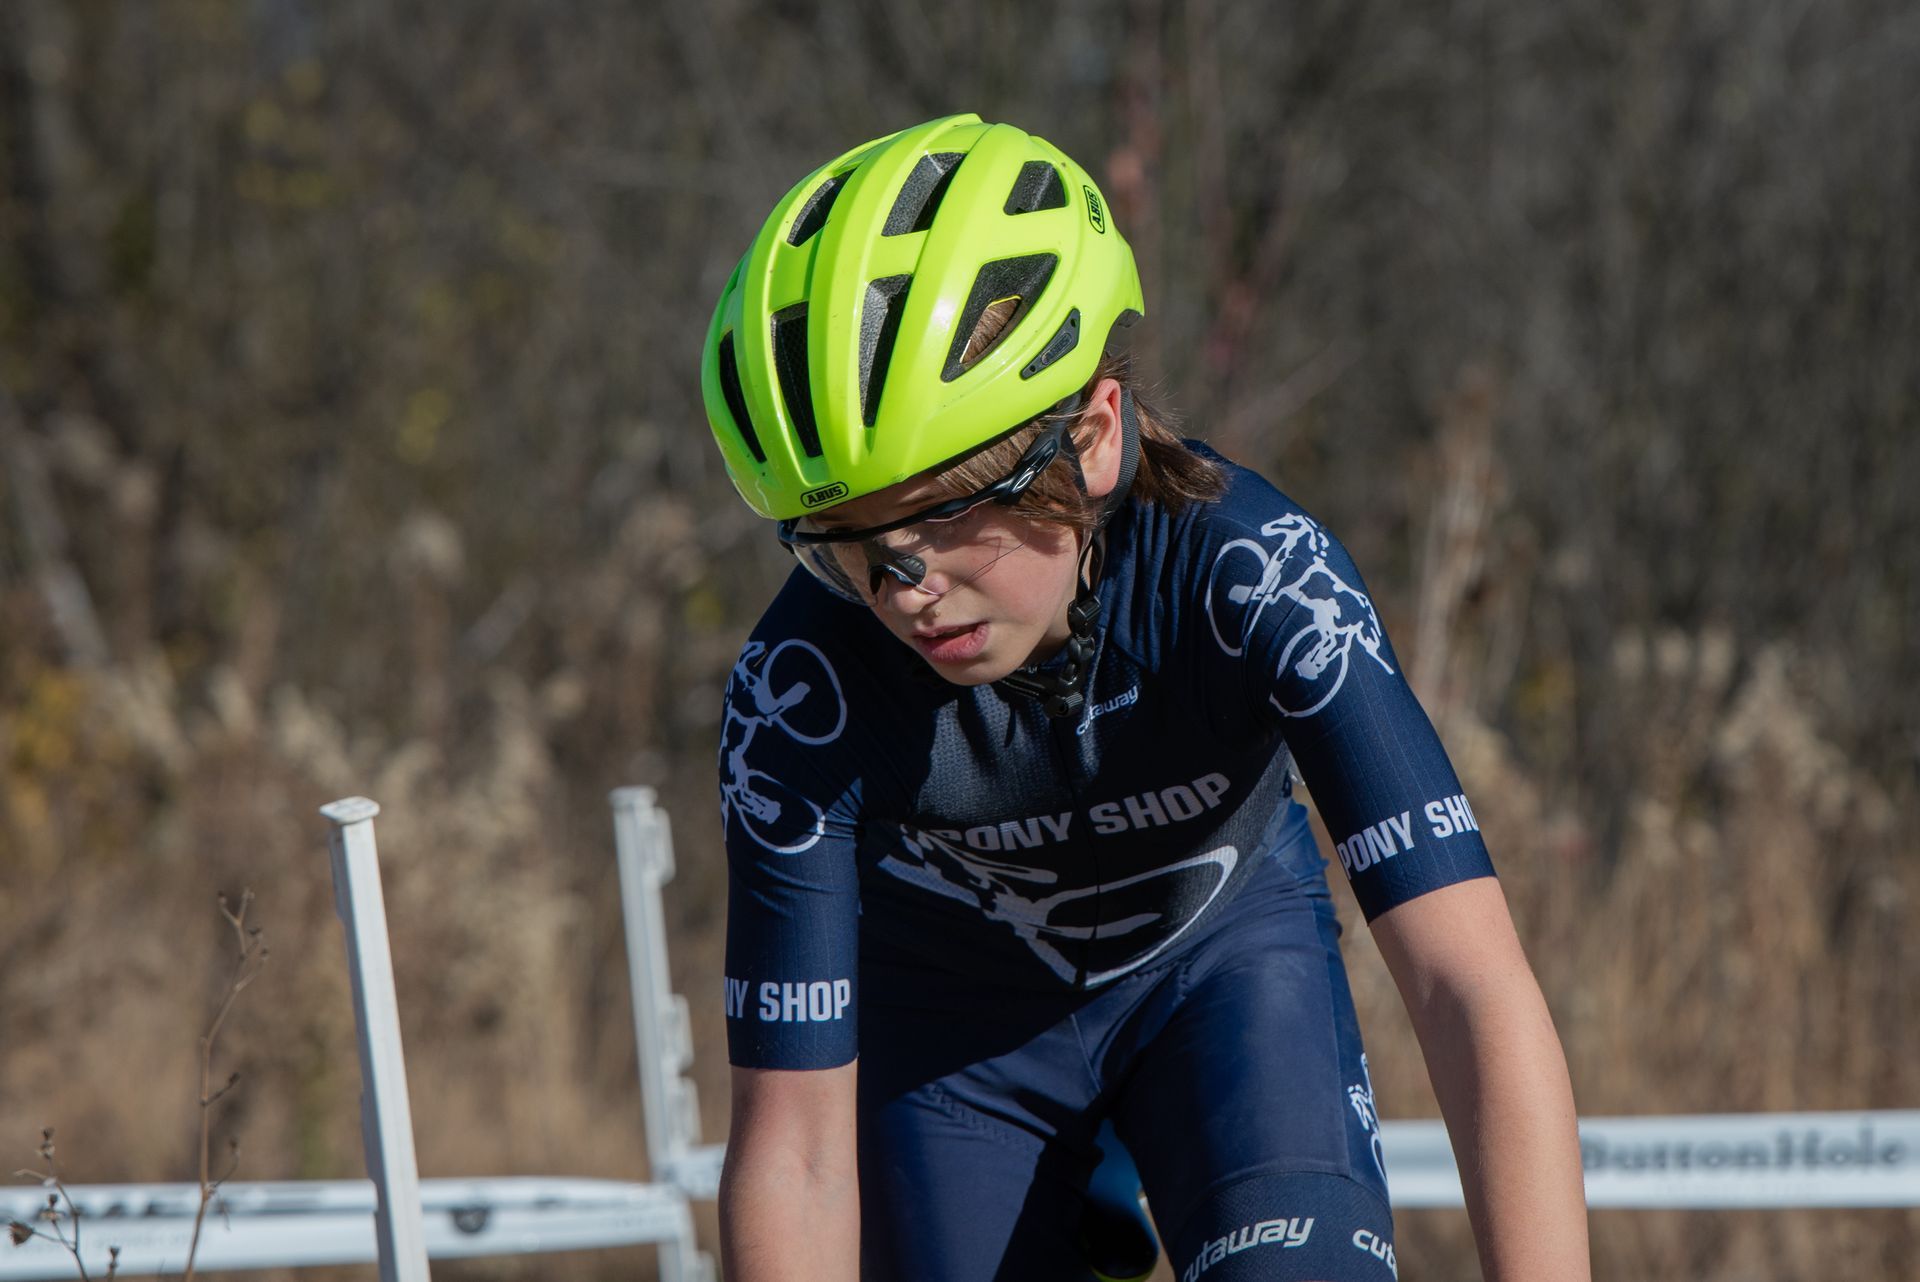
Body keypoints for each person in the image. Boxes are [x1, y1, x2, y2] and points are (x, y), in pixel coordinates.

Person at [700, 113, 1590, 1282]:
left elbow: (1468, 984)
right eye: (851, 544)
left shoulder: (1255, 575)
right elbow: (797, 1151)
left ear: (1095, 433)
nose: (907, 587)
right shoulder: (798, 695)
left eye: (950, 510)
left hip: (1222, 975)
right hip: (956, 1048)